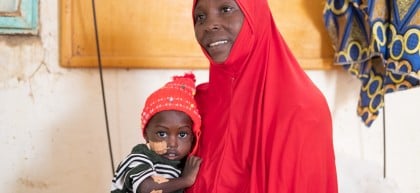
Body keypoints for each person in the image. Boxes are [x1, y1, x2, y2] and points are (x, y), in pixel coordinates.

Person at [186, 0, 338, 193]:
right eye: (200, 17)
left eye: (226, 9)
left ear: (256, 16)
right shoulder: (197, 106)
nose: (209, 25)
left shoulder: (301, 109)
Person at [111, 73, 202, 193]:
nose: (172, 144)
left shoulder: (182, 165)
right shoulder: (140, 157)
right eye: (162, 134)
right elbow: (147, 188)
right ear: (146, 135)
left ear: (193, 137)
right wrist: (186, 180)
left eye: (182, 134)